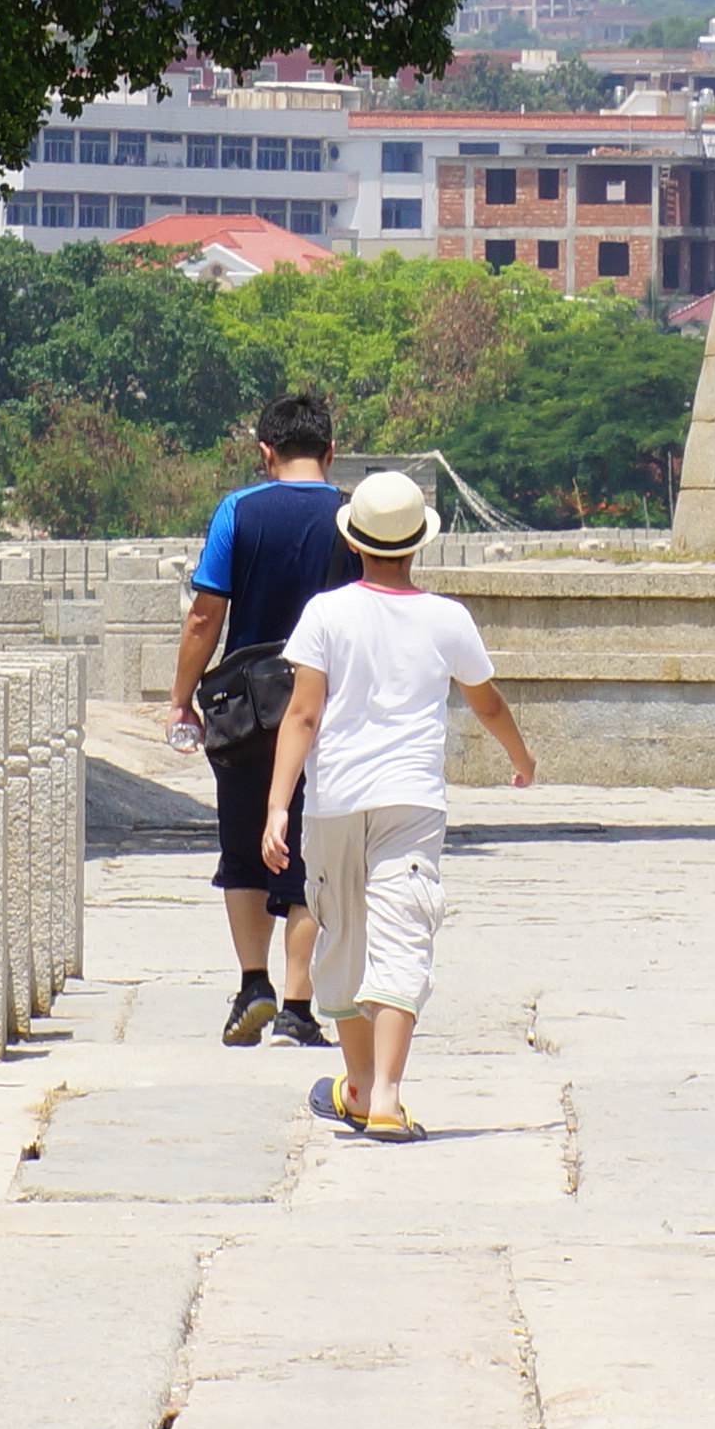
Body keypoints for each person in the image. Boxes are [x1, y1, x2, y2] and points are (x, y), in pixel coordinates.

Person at [263, 465, 536, 1142]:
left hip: (333, 801)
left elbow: (301, 715)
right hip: (410, 800)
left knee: (344, 939)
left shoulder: (325, 613)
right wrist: (521, 758)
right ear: (419, 545)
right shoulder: (447, 618)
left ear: (354, 542)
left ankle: (355, 1085)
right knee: (403, 934)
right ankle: (382, 1093)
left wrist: (276, 807)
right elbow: (488, 702)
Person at [174, 390, 355, 1048]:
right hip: (327, 707)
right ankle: (299, 1004)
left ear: (265, 452)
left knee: (245, 844)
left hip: (246, 710)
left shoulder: (238, 511)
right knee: (308, 855)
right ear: (331, 453)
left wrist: (180, 697)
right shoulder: (349, 517)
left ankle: (253, 983)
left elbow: (205, 615)